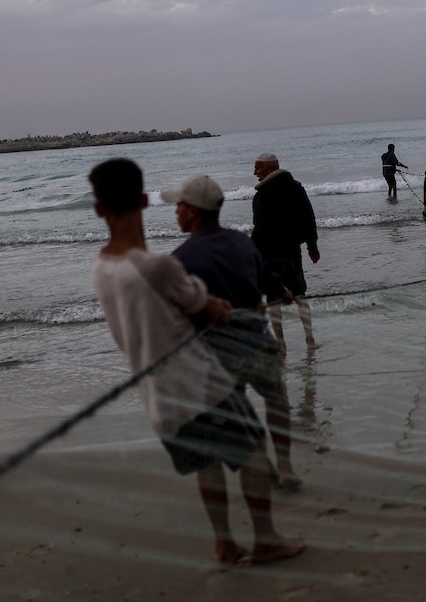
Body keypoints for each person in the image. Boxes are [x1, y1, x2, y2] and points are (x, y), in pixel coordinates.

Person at [88, 158, 303, 568]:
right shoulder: (162, 266)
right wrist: (225, 307)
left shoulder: (102, 268)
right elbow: (205, 308)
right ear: (143, 201)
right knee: (255, 452)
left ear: (99, 209)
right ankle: (266, 540)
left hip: (158, 397)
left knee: (207, 459)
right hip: (201, 383)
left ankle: (224, 545)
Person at [164, 173, 302, 489]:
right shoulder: (241, 241)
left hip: (218, 352)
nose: (176, 212)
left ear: (194, 211)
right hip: (256, 340)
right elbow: (268, 281)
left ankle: (258, 460)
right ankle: (286, 467)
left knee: (235, 409)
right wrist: (285, 293)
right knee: (277, 398)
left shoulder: (180, 259)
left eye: (180, 206)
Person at [252, 153, 320, 353]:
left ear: (270, 168)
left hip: (268, 254)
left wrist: (250, 251)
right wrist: (312, 246)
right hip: (292, 251)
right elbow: (309, 217)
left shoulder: (262, 195)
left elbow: (259, 228)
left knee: (273, 299)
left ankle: (281, 346)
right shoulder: (295, 188)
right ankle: (310, 341)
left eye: (258, 168)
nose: (255, 172)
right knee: (300, 296)